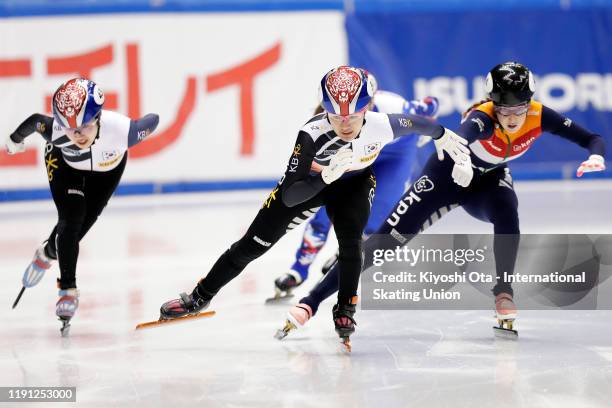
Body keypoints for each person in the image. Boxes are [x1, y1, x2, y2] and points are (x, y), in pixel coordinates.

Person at [277, 61, 606, 339]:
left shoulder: (539, 115)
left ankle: (503, 293)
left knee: (509, 213)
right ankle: (312, 300)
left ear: (529, 103)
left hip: (487, 183)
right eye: (504, 108)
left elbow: (591, 137)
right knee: (382, 243)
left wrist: (597, 157)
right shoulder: (482, 117)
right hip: (445, 178)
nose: (512, 117)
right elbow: (459, 137)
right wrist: (461, 159)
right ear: (493, 103)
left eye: (519, 108)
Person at [159, 65, 471, 350]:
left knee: (352, 244)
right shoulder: (310, 135)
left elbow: (419, 123)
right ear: (325, 110)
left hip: (353, 184)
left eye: (352, 115)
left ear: (367, 108)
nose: (345, 124)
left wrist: (441, 134)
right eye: (336, 116)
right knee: (249, 247)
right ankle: (200, 297)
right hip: (306, 187)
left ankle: (345, 307)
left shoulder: (383, 125)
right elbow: (290, 197)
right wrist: (327, 176)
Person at [6, 78, 159, 336]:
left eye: (85, 126)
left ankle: (46, 253)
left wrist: (14, 140)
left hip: (106, 173)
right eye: (70, 128)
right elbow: (34, 121)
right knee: (71, 221)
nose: (78, 135)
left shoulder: (123, 131)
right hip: (66, 167)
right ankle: (68, 290)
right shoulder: (55, 130)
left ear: (98, 116)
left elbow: (152, 120)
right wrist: (14, 140)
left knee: (67, 240)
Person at [269, 77, 440, 301]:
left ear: (373, 102)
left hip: (395, 153)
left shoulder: (395, 108)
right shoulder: (325, 123)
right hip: (355, 153)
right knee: (325, 209)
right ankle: (299, 269)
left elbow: (432, 104)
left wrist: (425, 128)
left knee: (377, 217)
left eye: (359, 107)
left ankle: (347, 253)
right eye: (340, 112)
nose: (348, 115)